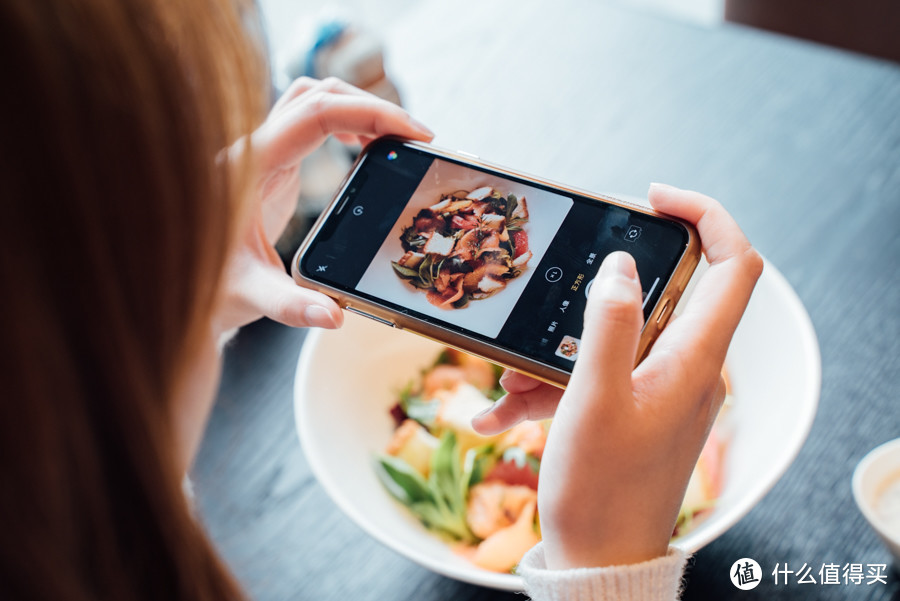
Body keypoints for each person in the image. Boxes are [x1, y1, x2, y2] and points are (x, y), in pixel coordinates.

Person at [0, 1, 762, 600]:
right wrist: (607, 571)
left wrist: (166, 309)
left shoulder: (70, 515)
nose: (193, 219)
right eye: (158, 196)